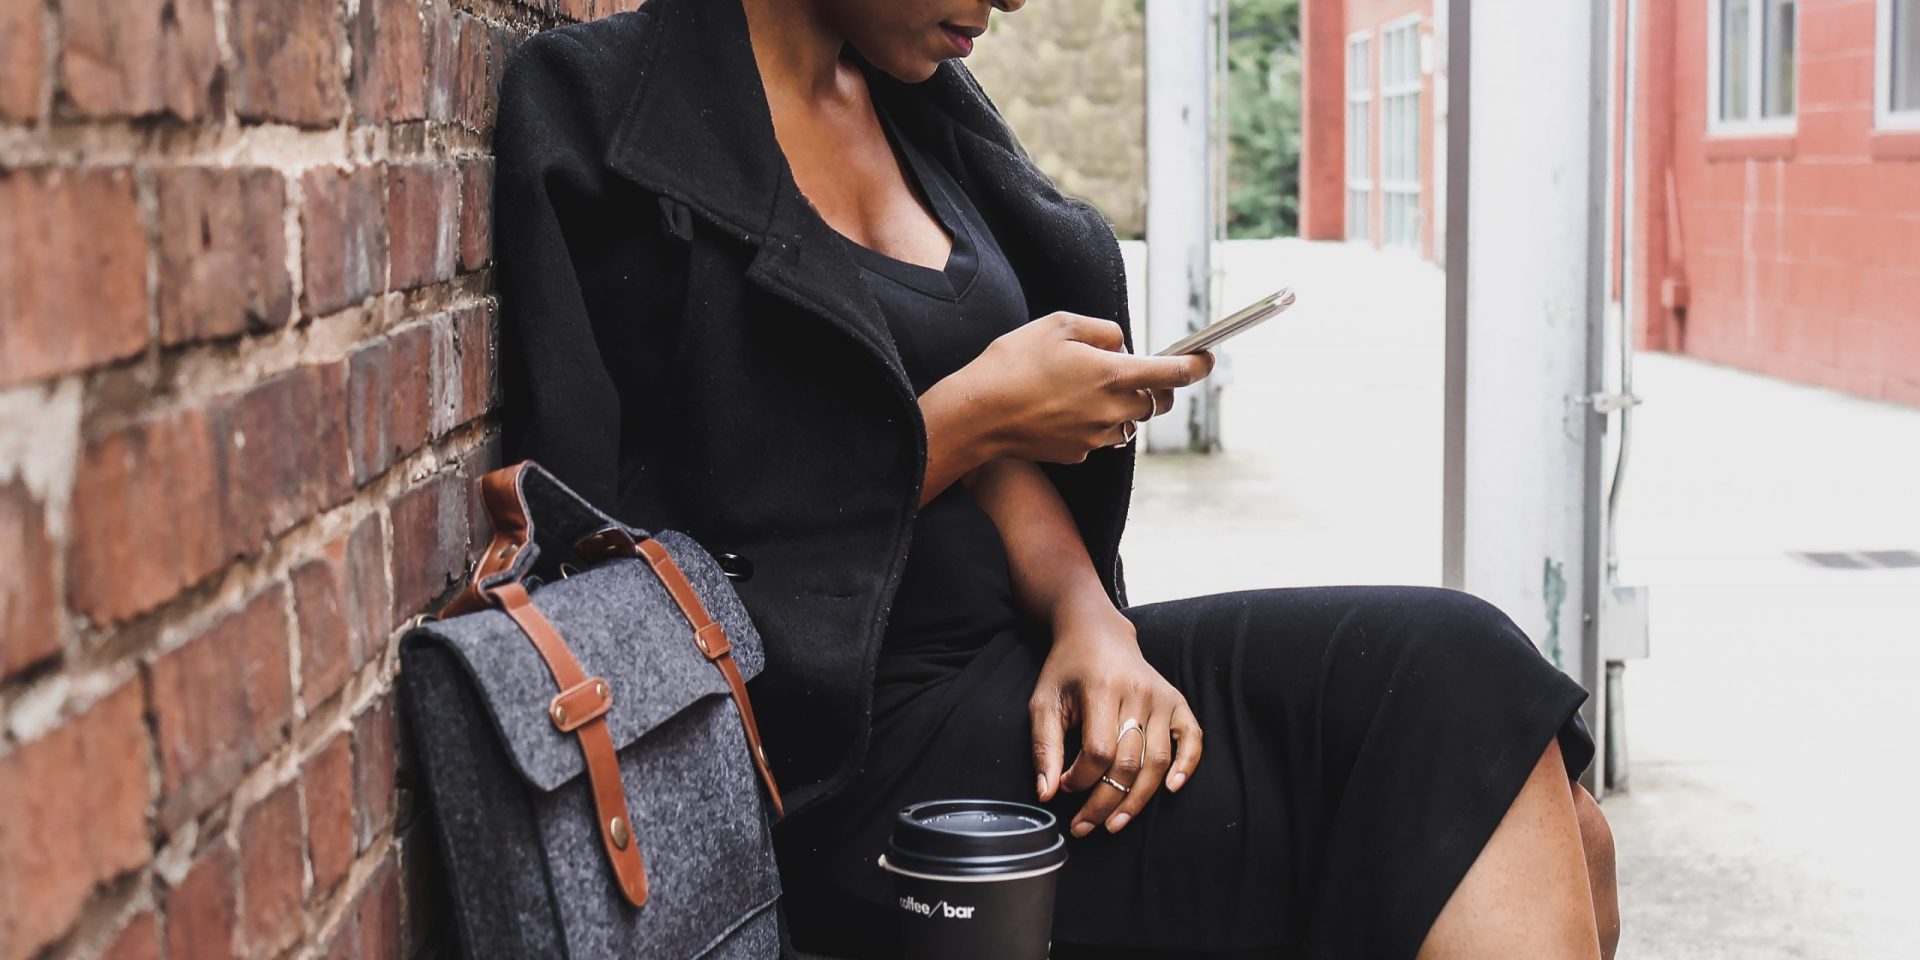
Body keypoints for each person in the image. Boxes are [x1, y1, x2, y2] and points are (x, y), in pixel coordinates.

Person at [491, 0, 1621, 956]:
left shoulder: (913, 101)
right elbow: (620, 564)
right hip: (838, 766)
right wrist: (972, 416)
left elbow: (993, 463)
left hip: (1021, 679)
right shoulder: (603, 114)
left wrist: (1093, 622)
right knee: (1458, 694)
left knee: (1556, 805)